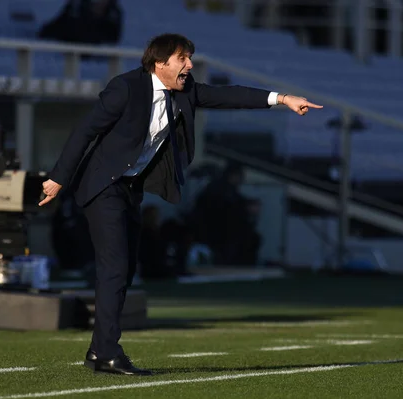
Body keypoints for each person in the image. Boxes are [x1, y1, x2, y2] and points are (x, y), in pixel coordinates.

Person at [38, 33, 322, 376]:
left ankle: (99, 349)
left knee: (124, 272)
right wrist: (58, 178)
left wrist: (283, 98)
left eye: (189, 57)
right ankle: (109, 353)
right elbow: (85, 130)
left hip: (130, 189)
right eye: (182, 58)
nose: (189, 64)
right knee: (114, 267)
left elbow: (228, 96)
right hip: (102, 187)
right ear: (161, 63)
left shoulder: (185, 91)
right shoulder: (125, 88)